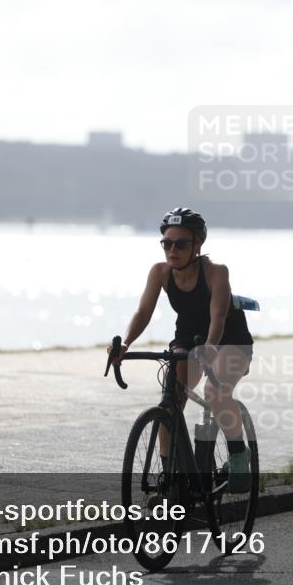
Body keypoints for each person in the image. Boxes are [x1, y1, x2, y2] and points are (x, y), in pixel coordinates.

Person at [110, 207, 255, 492]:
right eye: (166, 243)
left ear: (197, 245)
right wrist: (125, 344)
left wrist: (210, 349)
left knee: (215, 392)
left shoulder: (216, 272)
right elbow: (143, 312)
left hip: (229, 339)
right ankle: (172, 479)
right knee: (170, 401)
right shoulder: (160, 273)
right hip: (188, 338)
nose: (172, 250)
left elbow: (218, 318)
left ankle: (239, 454)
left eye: (180, 244)